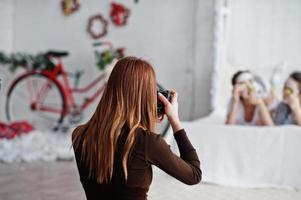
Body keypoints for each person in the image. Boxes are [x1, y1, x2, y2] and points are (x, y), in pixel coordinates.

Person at [72, 56, 202, 200]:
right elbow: (194, 175)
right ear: (146, 96)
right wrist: (175, 121)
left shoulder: (80, 135)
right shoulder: (147, 142)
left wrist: (143, 119)